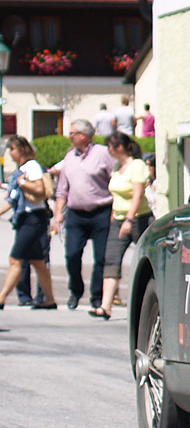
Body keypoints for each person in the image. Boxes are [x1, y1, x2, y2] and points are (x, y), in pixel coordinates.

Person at [51, 120, 117, 311]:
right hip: (76, 214)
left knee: (101, 258)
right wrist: (58, 215)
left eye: (73, 133)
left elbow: (116, 180)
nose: (70, 137)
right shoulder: (70, 157)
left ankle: (96, 296)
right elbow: (62, 190)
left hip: (101, 212)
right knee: (72, 254)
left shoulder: (103, 154)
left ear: (84, 135)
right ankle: (75, 290)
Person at [90, 132, 153, 319]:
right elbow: (116, 196)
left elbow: (137, 194)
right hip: (118, 220)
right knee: (111, 259)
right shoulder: (118, 167)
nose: (109, 150)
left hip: (139, 219)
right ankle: (105, 306)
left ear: (119, 147)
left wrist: (129, 219)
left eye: (110, 146)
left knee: (148, 257)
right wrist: (115, 216)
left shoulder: (137, 166)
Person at [0, 136, 57, 310]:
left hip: (34, 218)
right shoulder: (21, 169)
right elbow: (12, 201)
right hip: (26, 218)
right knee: (38, 262)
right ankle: (50, 300)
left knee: (15, 259)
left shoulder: (31, 167)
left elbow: (39, 189)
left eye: (13, 149)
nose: (10, 153)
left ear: (22, 150)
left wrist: (22, 182)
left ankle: (1, 299)